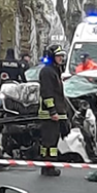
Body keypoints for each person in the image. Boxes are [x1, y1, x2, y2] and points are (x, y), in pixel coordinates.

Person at [38, 44, 69, 177]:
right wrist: (52, 111)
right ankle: (49, 166)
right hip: (49, 114)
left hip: (55, 112)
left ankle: (48, 165)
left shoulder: (54, 70)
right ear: (52, 57)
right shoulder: (47, 72)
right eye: (58, 56)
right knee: (50, 143)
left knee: (51, 142)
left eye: (62, 56)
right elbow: (47, 93)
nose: (61, 58)